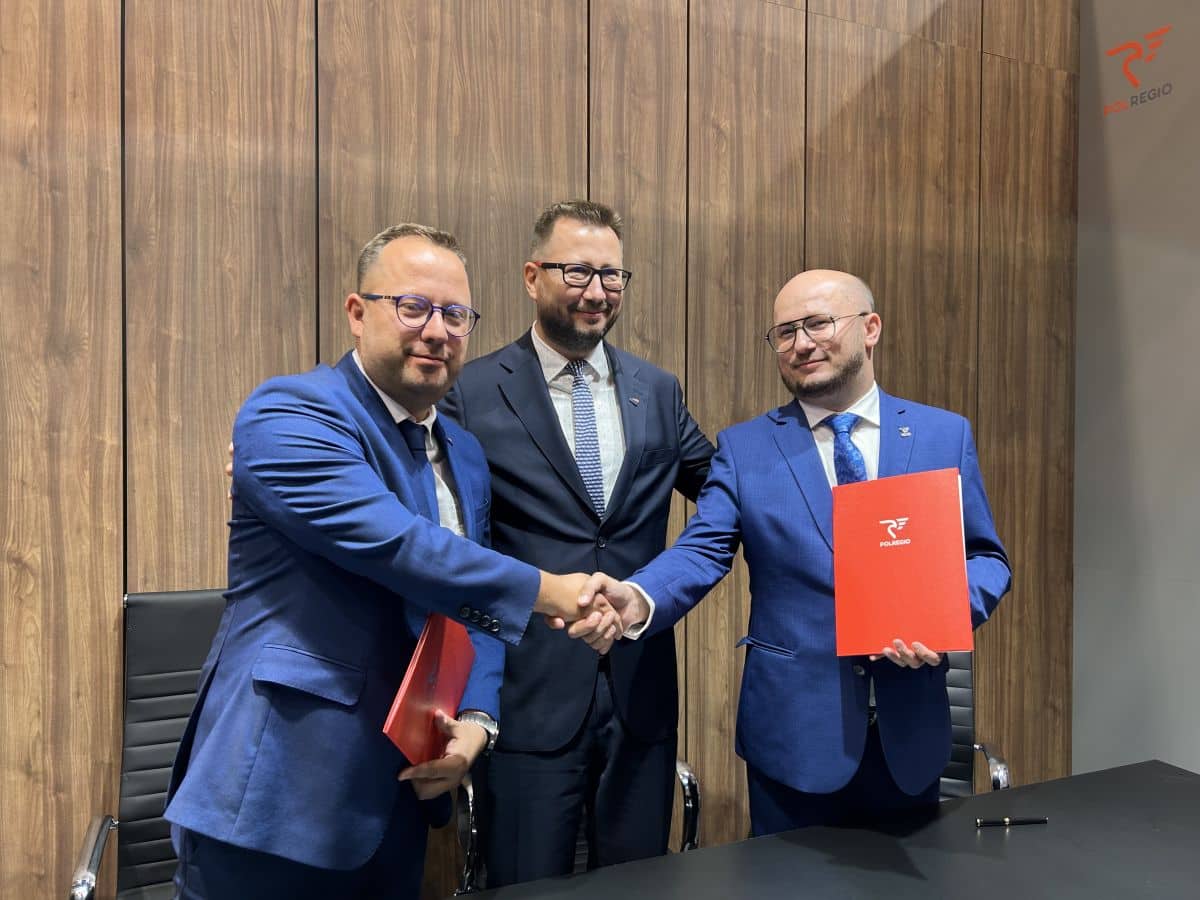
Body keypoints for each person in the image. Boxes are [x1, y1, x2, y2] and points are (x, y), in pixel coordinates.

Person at [164, 224, 616, 900]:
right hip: (277, 795)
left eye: (455, 315)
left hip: (400, 797)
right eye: (412, 307)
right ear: (357, 312)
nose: (437, 331)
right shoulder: (291, 413)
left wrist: (477, 722)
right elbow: (402, 548)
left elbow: (471, 609)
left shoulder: (463, 453)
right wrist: (550, 591)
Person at [577, 269, 1012, 836]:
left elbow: (985, 559)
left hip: (910, 735)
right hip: (793, 737)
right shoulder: (746, 448)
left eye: (818, 324)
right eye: (785, 333)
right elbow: (703, 549)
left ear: (870, 328)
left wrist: (942, 616)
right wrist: (638, 598)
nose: (801, 344)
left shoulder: (941, 435)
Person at [440, 200, 714, 884]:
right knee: (526, 884)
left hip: (640, 694)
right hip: (529, 692)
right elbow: (443, 529)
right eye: (577, 272)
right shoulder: (471, 391)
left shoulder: (658, 390)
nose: (597, 291)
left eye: (612, 275)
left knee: (639, 886)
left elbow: (725, 494)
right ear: (532, 276)